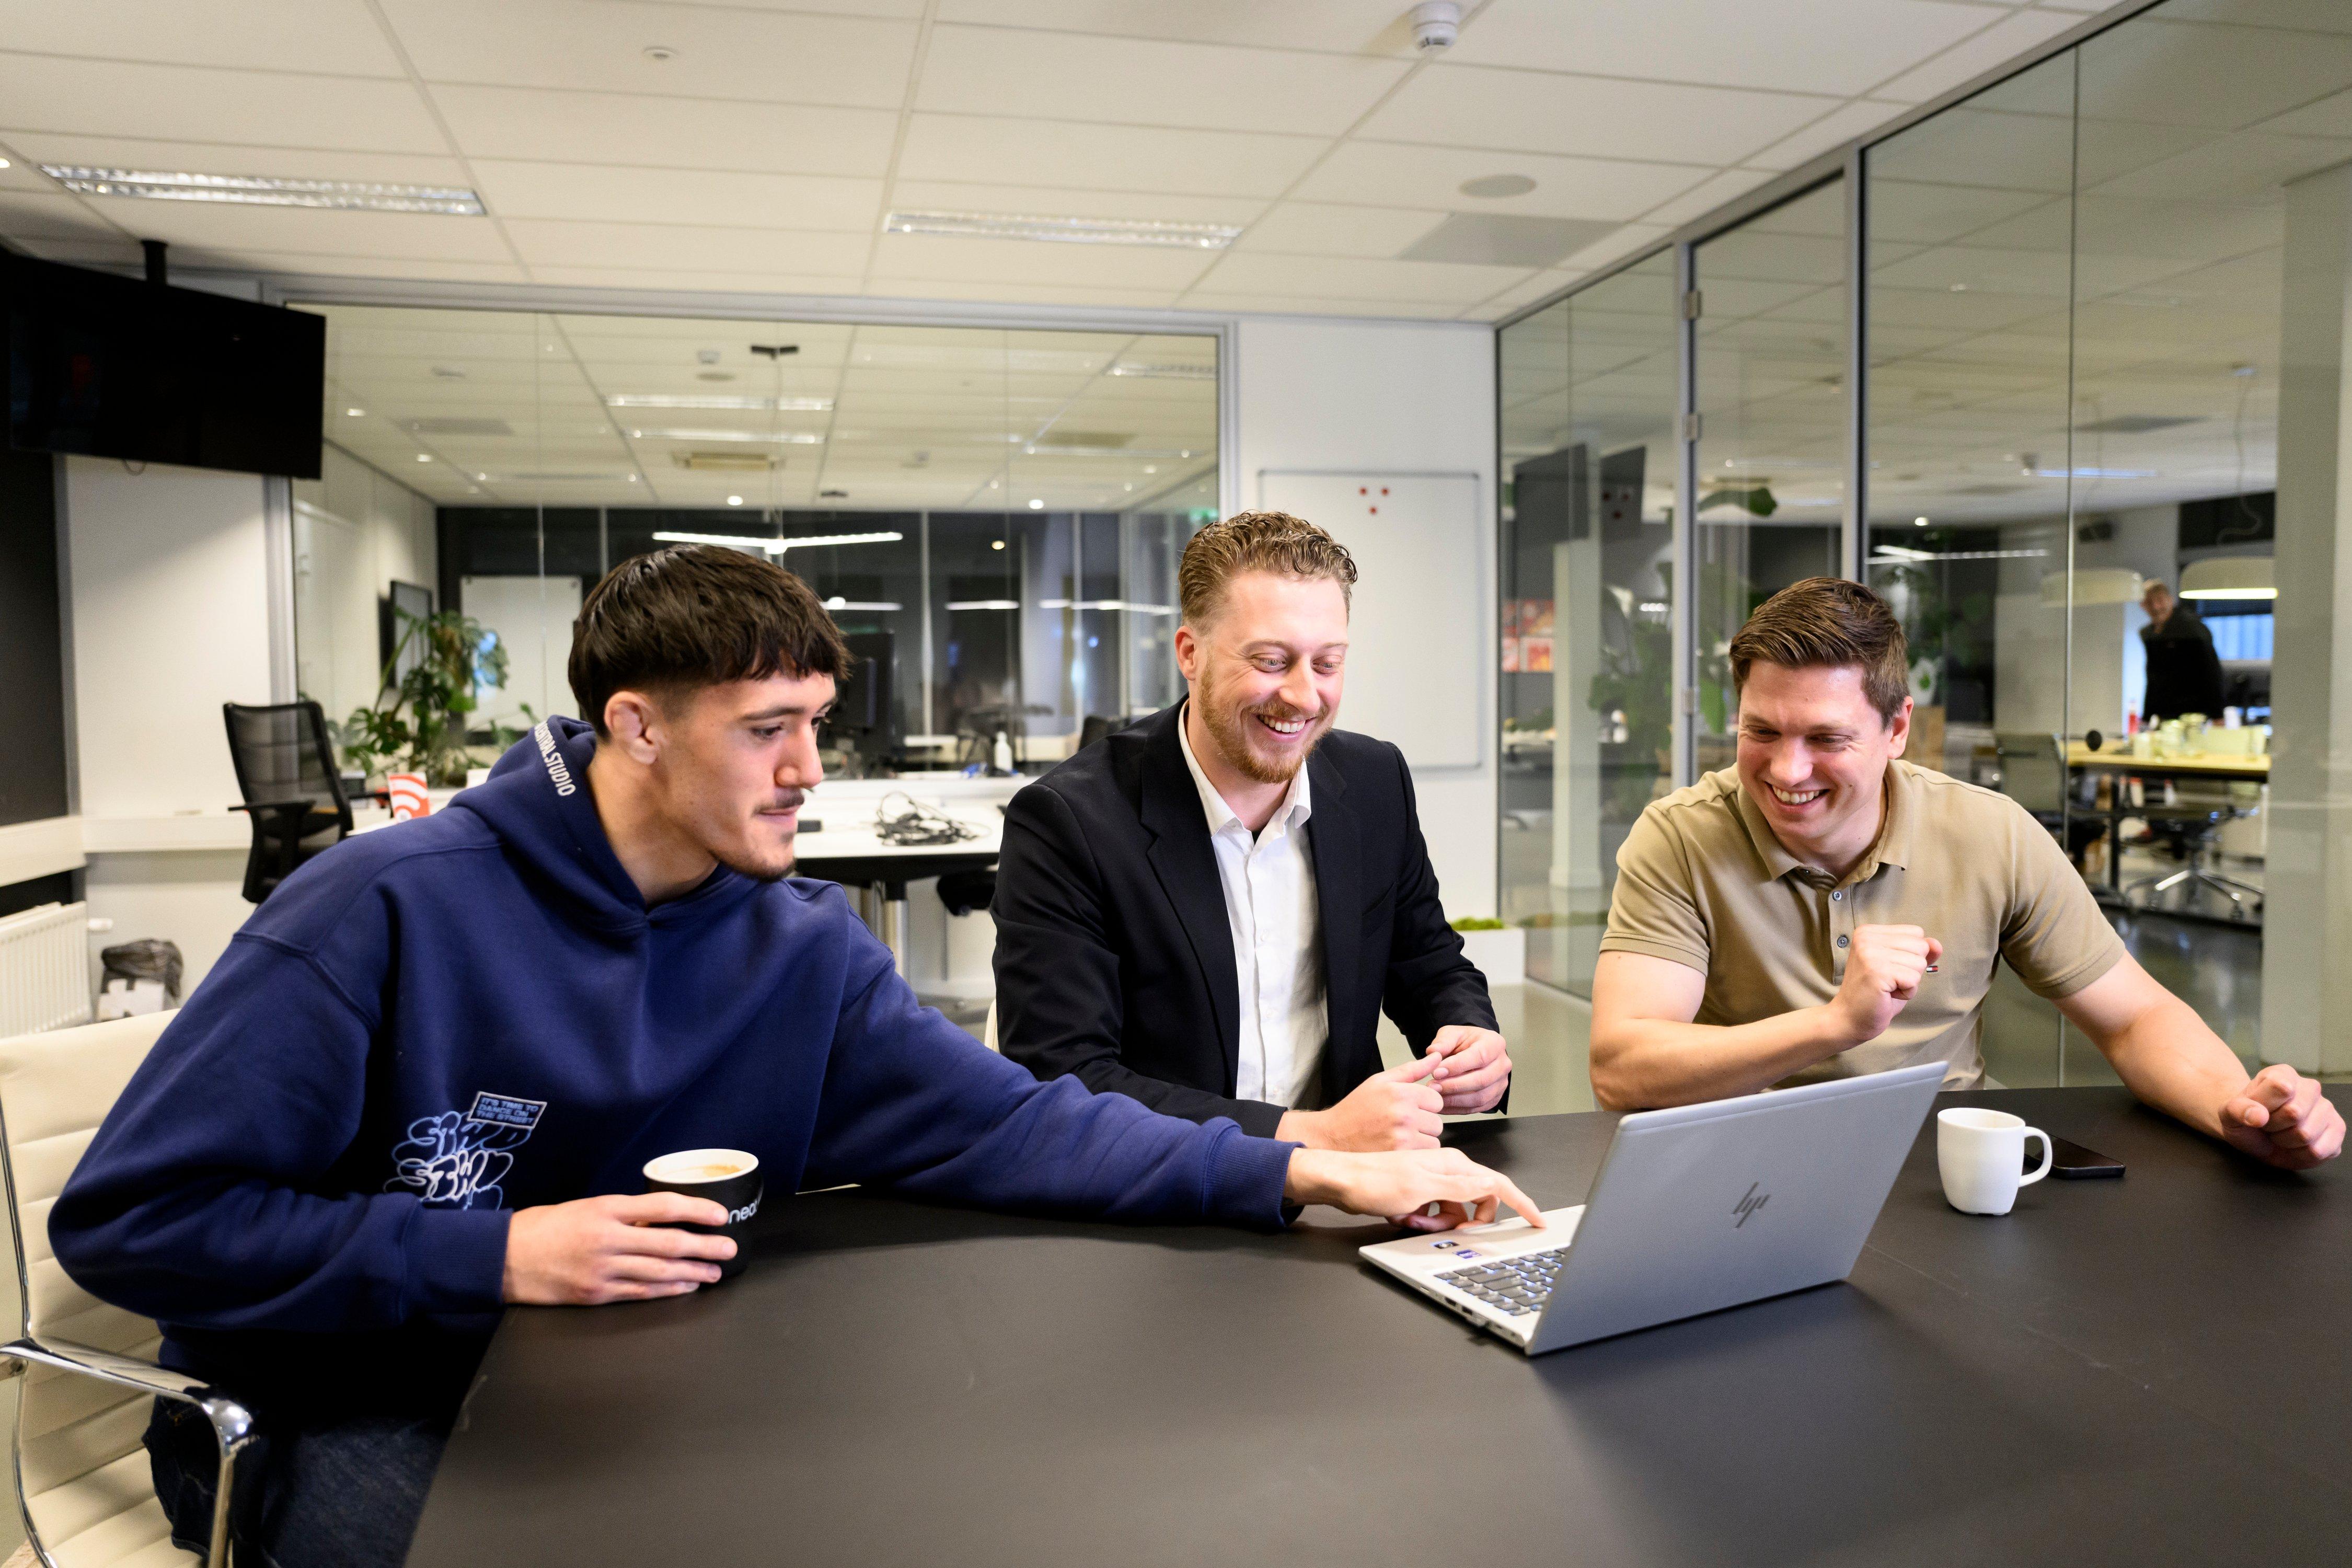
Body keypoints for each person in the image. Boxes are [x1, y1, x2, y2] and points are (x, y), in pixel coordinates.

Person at [50, 546, 1539, 1568]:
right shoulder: (377, 910)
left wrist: (1307, 1168)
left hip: (636, 1395)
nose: (809, 773)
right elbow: (138, 1224)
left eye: (816, 725)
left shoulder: (800, 945)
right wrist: (494, 1255)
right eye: (767, 730)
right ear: (632, 727)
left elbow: (1024, 1126)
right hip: (350, 1397)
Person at [1588, 577, 2342, 1172]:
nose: (1787, 771)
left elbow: (2135, 1018)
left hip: (1934, 1173)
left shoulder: (1992, 833)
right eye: (1762, 732)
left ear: (1898, 729)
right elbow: (1622, 1069)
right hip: (1736, 1174)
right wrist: (1834, 1026)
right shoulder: (1680, 836)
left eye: (1826, 738)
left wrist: (2239, 1111)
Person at [991, 511, 1511, 1151]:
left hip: (1354, 1191)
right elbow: (1065, 1076)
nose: (1304, 696)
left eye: (1327, 664)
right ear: (1190, 653)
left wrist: (1470, 1036)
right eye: (1270, 660)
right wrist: (1311, 1137)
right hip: (1167, 1194)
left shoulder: (1375, 783)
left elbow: (1427, 959)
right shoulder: (1070, 822)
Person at [2139, 578, 2225, 722]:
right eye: (2150, 602)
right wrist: (2147, 716)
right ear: (2143, 606)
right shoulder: (2150, 635)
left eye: (2160, 601)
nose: (2155, 607)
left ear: (2170, 600)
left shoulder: (2191, 628)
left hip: (2194, 715)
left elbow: (2211, 671)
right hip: (2167, 713)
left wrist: (2218, 715)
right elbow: (2154, 677)